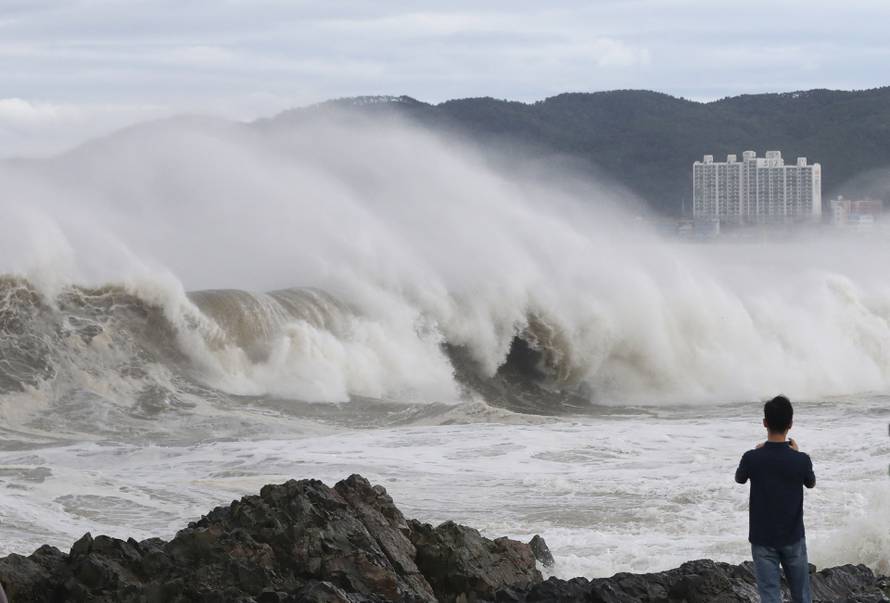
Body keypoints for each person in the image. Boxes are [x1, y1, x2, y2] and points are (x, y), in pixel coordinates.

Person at [735, 395, 816, 603]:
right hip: (793, 536)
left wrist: (756, 451)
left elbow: (740, 478)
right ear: (790, 424)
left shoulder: (752, 458)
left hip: (763, 538)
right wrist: (797, 453)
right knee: (802, 595)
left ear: (765, 423)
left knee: (769, 596)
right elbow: (811, 482)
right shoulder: (801, 460)